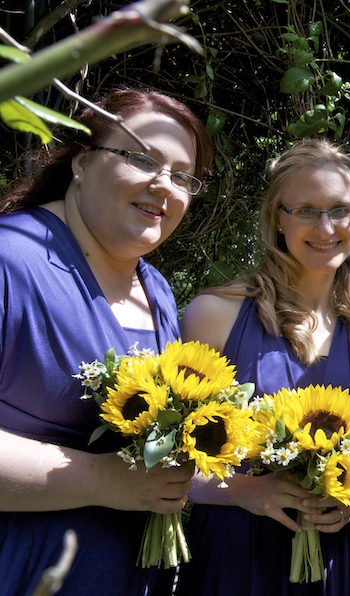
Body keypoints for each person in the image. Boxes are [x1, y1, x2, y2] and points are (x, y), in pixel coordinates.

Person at [0, 87, 213, 596]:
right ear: (80, 160)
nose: (165, 186)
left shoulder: (156, 289)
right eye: (142, 158)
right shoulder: (11, 261)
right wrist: (103, 480)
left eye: (183, 175)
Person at [176, 139, 350, 596]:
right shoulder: (216, 314)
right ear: (278, 218)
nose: (325, 227)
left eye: (339, 210)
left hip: (335, 560)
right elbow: (166, 461)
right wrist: (246, 491)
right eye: (305, 210)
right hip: (235, 555)